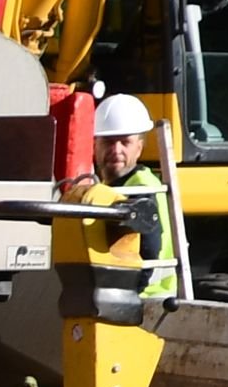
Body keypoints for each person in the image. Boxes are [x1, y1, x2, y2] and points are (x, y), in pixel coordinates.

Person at [71, 92, 181, 306]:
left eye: (125, 142)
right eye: (109, 142)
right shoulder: (103, 188)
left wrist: (129, 296)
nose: (116, 150)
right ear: (95, 145)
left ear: (139, 147)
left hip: (148, 300)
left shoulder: (142, 187)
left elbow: (150, 247)